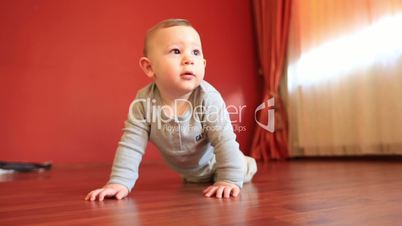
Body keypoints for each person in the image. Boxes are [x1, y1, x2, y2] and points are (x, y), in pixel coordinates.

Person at [85, 18, 257, 201]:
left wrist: (229, 179)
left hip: (220, 160)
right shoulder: (144, 103)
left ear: (203, 65)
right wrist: (118, 182)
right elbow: (131, 145)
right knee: (198, 181)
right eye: (176, 51)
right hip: (191, 172)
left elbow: (224, 141)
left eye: (196, 52)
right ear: (149, 67)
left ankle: (249, 164)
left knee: (239, 167)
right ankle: (205, 176)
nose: (189, 59)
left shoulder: (207, 98)